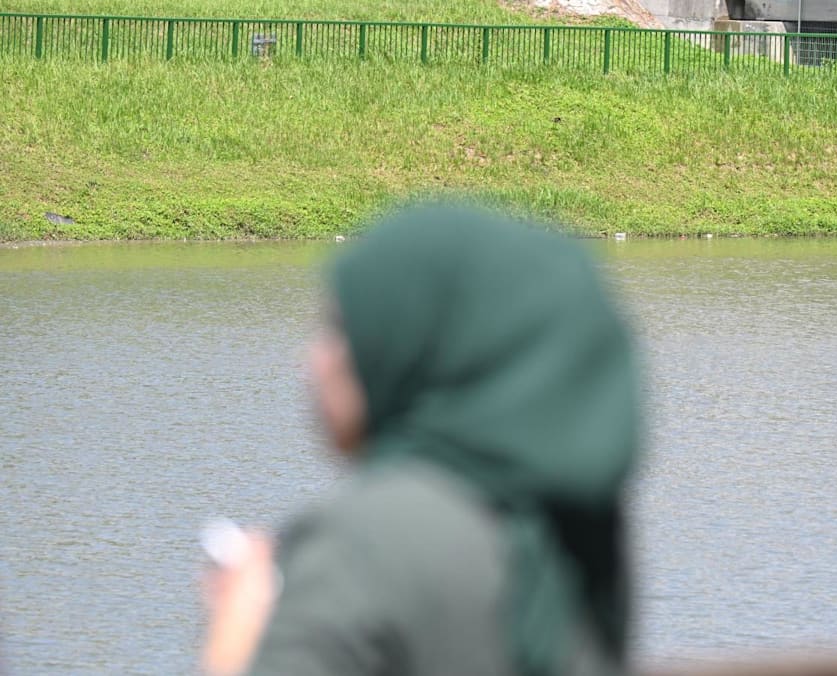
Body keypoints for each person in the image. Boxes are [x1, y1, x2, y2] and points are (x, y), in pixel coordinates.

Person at [203, 206, 640, 676]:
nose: (310, 358)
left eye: (338, 328)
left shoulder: (359, 542)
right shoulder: (572, 529)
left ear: (413, 346)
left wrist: (236, 642)